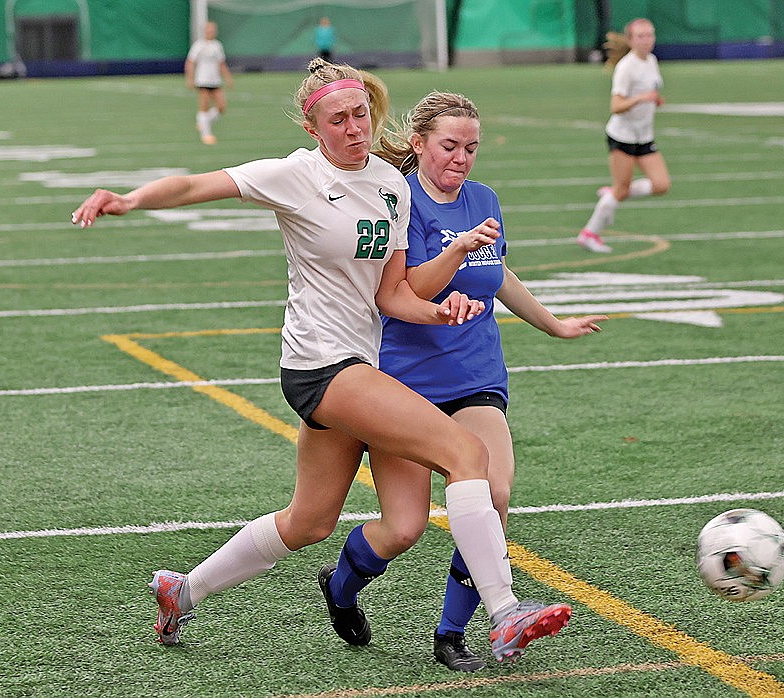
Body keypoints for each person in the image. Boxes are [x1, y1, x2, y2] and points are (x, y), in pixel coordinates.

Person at [70, 58, 571, 663]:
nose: (354, 127)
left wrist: (443, 312)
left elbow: (392, 296)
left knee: (310, 521)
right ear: (314, 127)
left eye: (361, 114)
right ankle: (504, 614)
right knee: (468, 455)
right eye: (338, 120)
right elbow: (196, 184)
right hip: (321, 365)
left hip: (358, 365)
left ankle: (184, 589)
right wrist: (130, 200)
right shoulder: (296, 176)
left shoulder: (391, 186)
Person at [320, 91, 604, 671]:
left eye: (471, 148)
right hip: (403, 384)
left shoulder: (484, 199)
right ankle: (341, 586)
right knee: (403, 528)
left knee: (494, 496)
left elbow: (497, 274)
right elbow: (404, 293)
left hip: (474, 377)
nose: (461, 158)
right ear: (420, 143)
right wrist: (459, 250)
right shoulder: (397, 202)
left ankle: (453, 634)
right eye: (450, 145)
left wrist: (554, 325)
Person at [577, 17, 670, 254]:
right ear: (630, 40)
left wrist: (653, 99)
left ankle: (615, 193)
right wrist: (641, 98)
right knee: (621, 189)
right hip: (623, 137)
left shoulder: (651, 60)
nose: (646, 40)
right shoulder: (626, 68)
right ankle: (589, 233)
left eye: (650, 35)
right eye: (640, 36)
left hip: (644, 136)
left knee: (661, 184)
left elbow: (650, 91)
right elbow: (616, 105)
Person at [185, 21, 234, 145]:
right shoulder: (198, 45)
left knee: (222, 107)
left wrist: (227, 77)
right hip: (202, 80)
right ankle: (206, 135)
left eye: (212, 30)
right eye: (208, 29)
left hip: (215, 80)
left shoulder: (217, 45)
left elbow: (221, 63)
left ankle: (203, 122)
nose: (210, 32)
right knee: (204, 106)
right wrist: (190, 78)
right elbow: (190, 62)